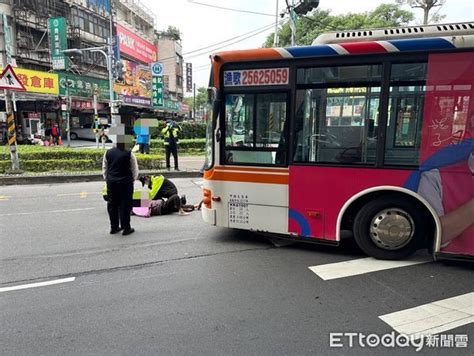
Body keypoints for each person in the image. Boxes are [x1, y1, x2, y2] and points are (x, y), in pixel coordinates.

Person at [102, 141, 139, 235]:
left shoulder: (108, 152)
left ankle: (114, 227)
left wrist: (108, 180)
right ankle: (126, 228)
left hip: (111, 182)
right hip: (125, 182)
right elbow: (135, 170)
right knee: (125, 205)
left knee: (112, 204)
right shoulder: (129, 153)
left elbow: (104, 169)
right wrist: (132, 180)